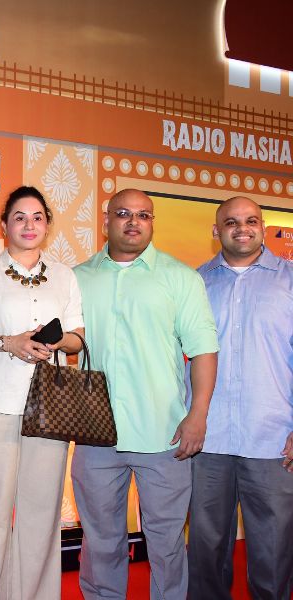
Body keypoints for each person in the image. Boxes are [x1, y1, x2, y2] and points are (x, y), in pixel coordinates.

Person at [71, 188, 218, 599]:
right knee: (100, 541)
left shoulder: (180, 278)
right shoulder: (76, 278)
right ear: (106, 221)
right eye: (123, 213)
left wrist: (198, 415)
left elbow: (204, 351)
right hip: (96, 435)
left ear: (153, 222)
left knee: (167, 543)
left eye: (143, 215)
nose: (133, 222)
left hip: (164, 434)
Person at [0, 186, 84, 600]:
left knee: (40, 516)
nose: (29, 225)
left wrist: (57, 339)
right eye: (19, 217)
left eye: (37, 217)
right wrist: (8, 343)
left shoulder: (65, 277)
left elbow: (78, 338)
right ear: (4, 225)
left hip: (50, 408)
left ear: (47, 225)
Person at [187, 196, 293, 600]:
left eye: (251, 221)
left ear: (263, 227)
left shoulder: (289, 281)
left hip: (272, 439)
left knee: (273, 552)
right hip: (207, 439)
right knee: (206, 551)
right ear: (216, 231)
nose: (242, 228)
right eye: (231, 222)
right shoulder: (194, 283)